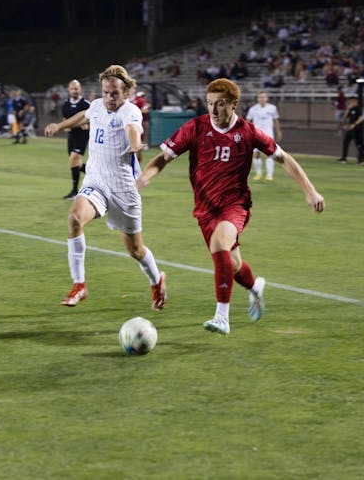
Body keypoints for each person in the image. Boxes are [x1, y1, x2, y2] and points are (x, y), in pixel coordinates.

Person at [137, 78, 324, 335]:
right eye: (209, 103)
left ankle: (222, 317)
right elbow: (162, 158)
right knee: (232, 264)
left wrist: (310, 190)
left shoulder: (248, 132)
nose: (213, 110)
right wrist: (144, 178)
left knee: (219, 244)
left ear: (234, 104)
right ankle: (254, 287)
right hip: (205, 209)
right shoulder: (195, 128)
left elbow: (284, 159)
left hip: (234, 205)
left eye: (220, 104)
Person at [44, 65, 167, 311]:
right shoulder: (97, 105)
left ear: (126, 93)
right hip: (96, 183)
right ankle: (79, 284)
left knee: (135, 250)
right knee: (74, 219)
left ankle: (157, 281)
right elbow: (84, 116)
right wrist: (60, 126)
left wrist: (135, 145)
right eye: (106, 92)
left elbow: (132, 130)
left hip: (123, 190)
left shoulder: (130, 111)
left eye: (115, 93)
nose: (110, 97)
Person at [60, 80, 91, 199]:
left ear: (80, 89)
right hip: (72, 136)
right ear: (69, 90)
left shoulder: (86, 104)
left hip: (82, 135)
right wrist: (64, 126)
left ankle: (75, 191)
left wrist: (88, 125)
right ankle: (95, 174)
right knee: (75, 163)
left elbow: (94, 118)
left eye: (76, 89)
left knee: (74, 159)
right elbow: (65, 119)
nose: (74, 91)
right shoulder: (66, 103)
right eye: (72, 89)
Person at [245, 90, 283, 181]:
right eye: (260, 97)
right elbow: (247, 121)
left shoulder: (272, 108)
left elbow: (276, 120)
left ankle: (269, 175)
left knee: (269, 154)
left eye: (263, 97)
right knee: (256, 154)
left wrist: (278, 131)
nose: (262, 99)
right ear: (257, 99)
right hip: (256, 134)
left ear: (266, 98)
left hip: (268, 133)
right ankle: (258, 174)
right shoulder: (253, 109)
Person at [337, 96, 364, 165]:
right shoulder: (351, 109)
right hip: (351, 129)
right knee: (345, 142)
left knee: (358, 144)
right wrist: (348, 109)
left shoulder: (358, 108)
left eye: (352, 101)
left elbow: (361, 118)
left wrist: (354, 124)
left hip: (357, 129)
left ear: (355, 101)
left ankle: (361, 160)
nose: (350, 102)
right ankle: (343, 158)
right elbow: (344, 117)